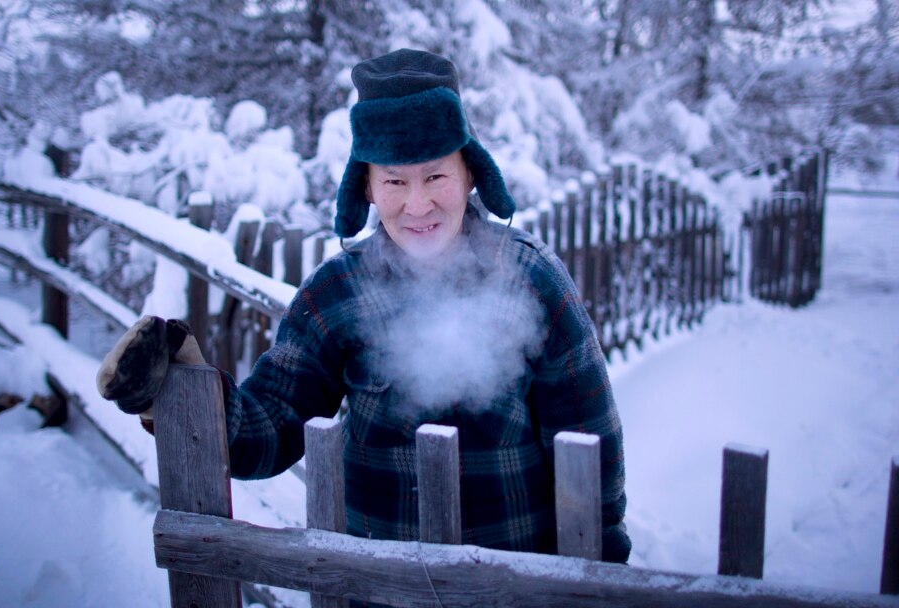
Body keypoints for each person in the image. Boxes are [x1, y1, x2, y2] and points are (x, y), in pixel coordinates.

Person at [97, 48, 631, 567]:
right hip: (375, 585)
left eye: (436, 176)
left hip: (515, 585)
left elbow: (589, 444)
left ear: (470, 173)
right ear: (368, 187)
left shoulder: (532, 279)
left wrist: (602, 575)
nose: (417, 204)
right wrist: (182, 393)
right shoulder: (336, 294)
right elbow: (271, 427)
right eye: (395, 180)